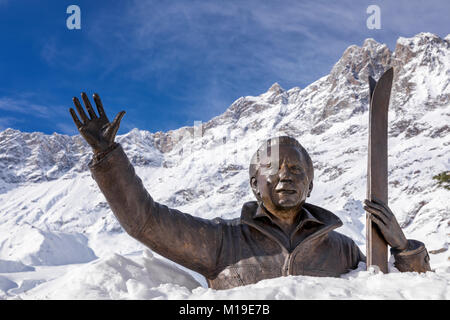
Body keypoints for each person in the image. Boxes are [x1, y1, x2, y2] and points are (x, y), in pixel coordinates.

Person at [69, 92, 431, 290]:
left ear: (311, 184)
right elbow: (144, 221)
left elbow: (397, 292)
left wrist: (403, 248)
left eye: (297, 170)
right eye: (274, 169)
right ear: (254, 184)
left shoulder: (343, 250)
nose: (286, 176)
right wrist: (108, 156)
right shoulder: (221, 241)